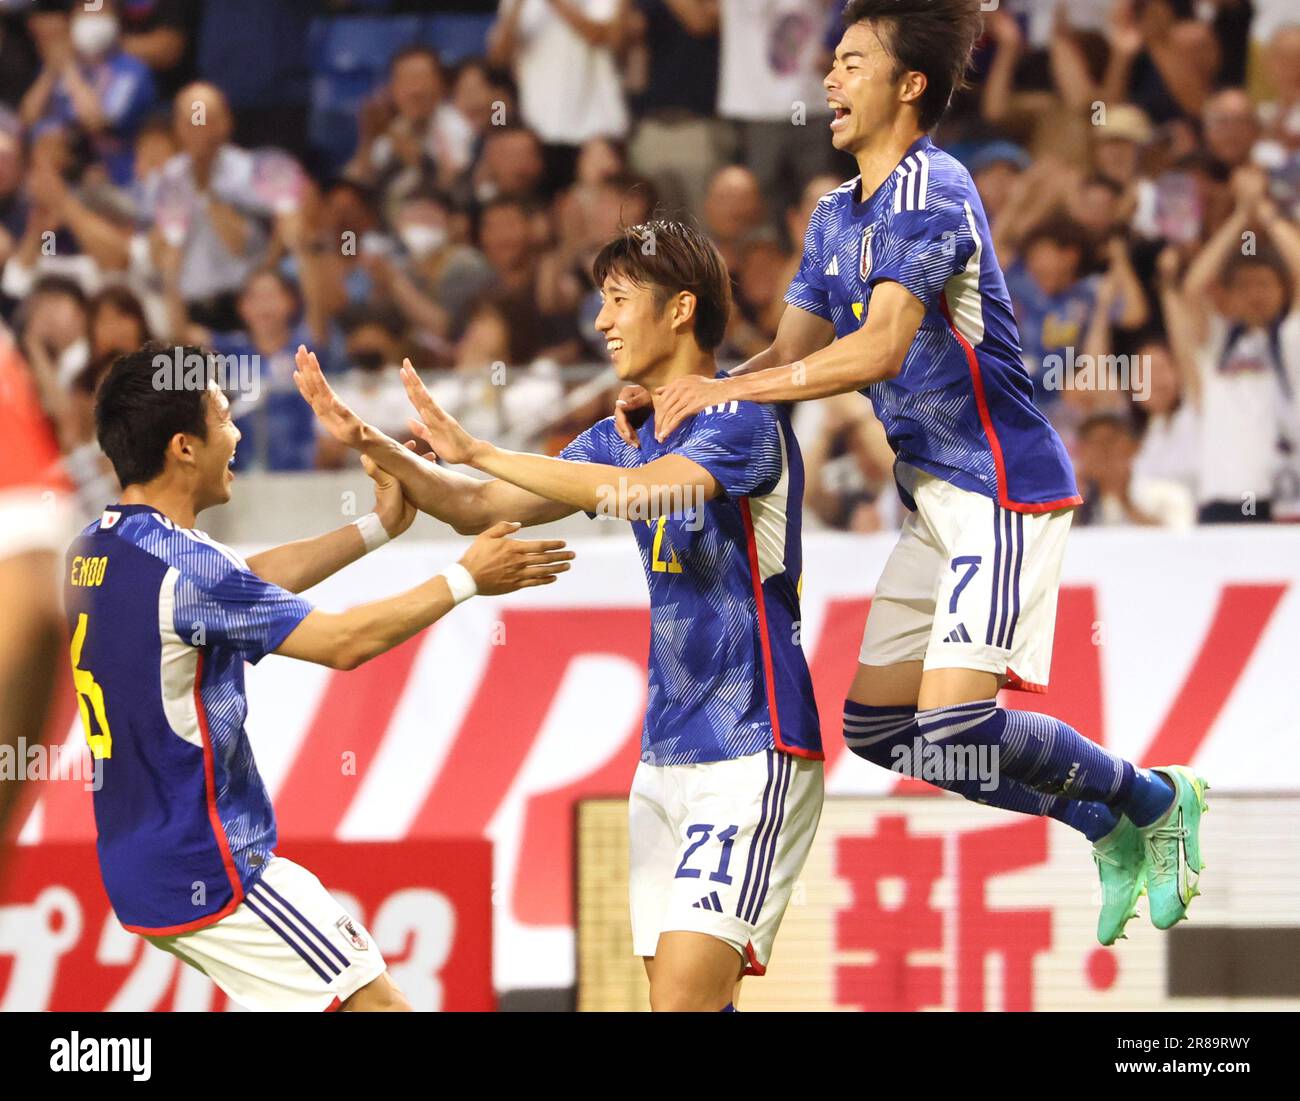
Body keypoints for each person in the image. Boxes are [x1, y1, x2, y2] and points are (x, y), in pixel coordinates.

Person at [628, 0, 1208, 945]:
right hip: (932, 500)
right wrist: (683, 395)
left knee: (951, 723)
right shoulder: (830, 214)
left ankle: (1152, 795)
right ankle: (1103, 822)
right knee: (879, 729)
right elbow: (787, 351)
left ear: (909, 85)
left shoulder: (936, 187)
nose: (829, 78)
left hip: (1000, 487)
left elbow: (881, 350)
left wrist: (727, 390)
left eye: (852, 62)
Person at [294, 221, 823, 1012]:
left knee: (681, 999)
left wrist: (478, 449)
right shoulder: (627, 434)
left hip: (753, 746)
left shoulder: (741, 422)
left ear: (680, 310)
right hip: (666, 755)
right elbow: (478, 508)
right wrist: (378, 445)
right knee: (687, 1004)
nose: (601, 321)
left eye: (617, 300)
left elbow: (642, 493)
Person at [66, 344, 572, 1011]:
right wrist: (466, 577)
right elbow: (344, 641)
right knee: (379, 1004)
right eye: (224, 416)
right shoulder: (186, 570)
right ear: (184, 446)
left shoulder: (95, 547)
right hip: (213, 863)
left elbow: (246, 583)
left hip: (138, 863)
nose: (238, 432)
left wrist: (376, 528)